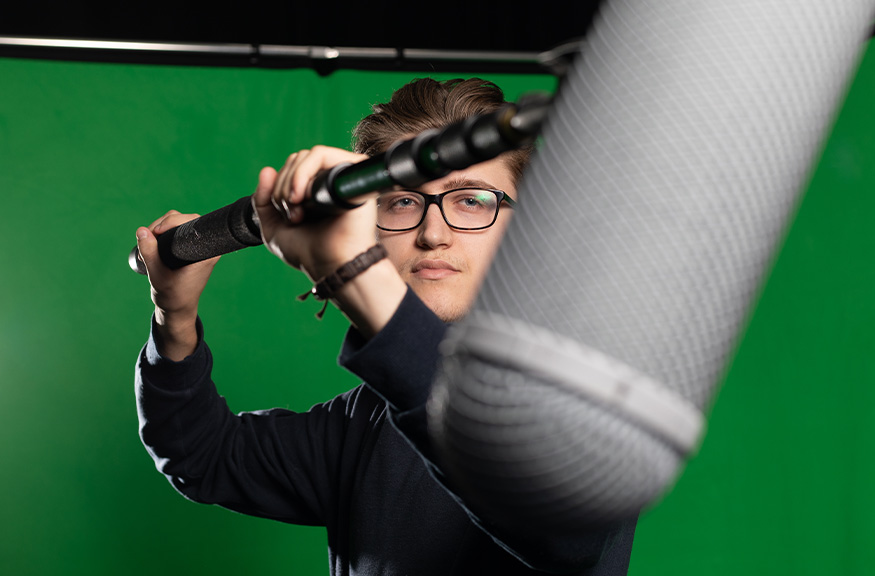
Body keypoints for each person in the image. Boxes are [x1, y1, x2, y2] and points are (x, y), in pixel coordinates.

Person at [134, 77, 636, 575]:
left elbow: (564, 531)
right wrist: (173, 315)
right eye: (402, 201)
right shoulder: (368, 418)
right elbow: (203, 455)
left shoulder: (587, 388)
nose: (433, 233)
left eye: (472, 201)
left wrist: (350, 273)